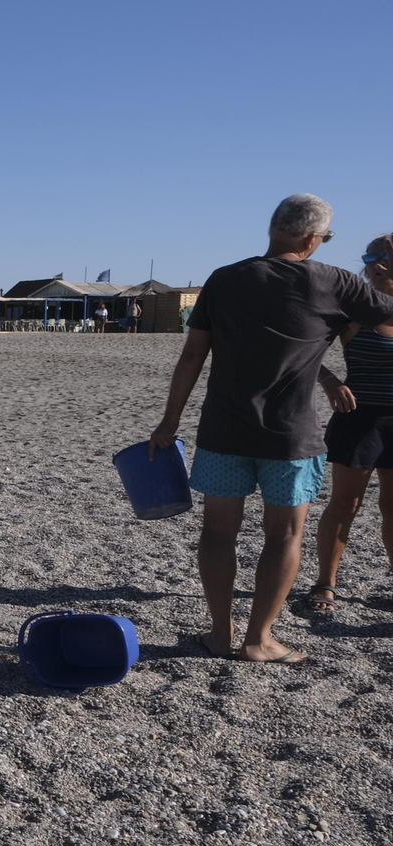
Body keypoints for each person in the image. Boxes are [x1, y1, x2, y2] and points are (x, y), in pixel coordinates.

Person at [150, 194, 393, 665]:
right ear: (311, 238)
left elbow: (192, 356)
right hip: (291, 438)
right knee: (283, 535)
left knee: (218, 532)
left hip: (223, 432)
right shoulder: (333, 281)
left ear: (273, 229)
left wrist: (170, 420)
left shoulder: (224, 279)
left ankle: (220, 634)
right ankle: (259, 639)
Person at [309, 234, 393, 612]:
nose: (375, 264)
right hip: (359, 420)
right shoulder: (354, 310)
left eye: (385, 257)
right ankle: (325, 584)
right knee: (346, 503)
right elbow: (304, 350)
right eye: (370, 256)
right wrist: (329, 382)